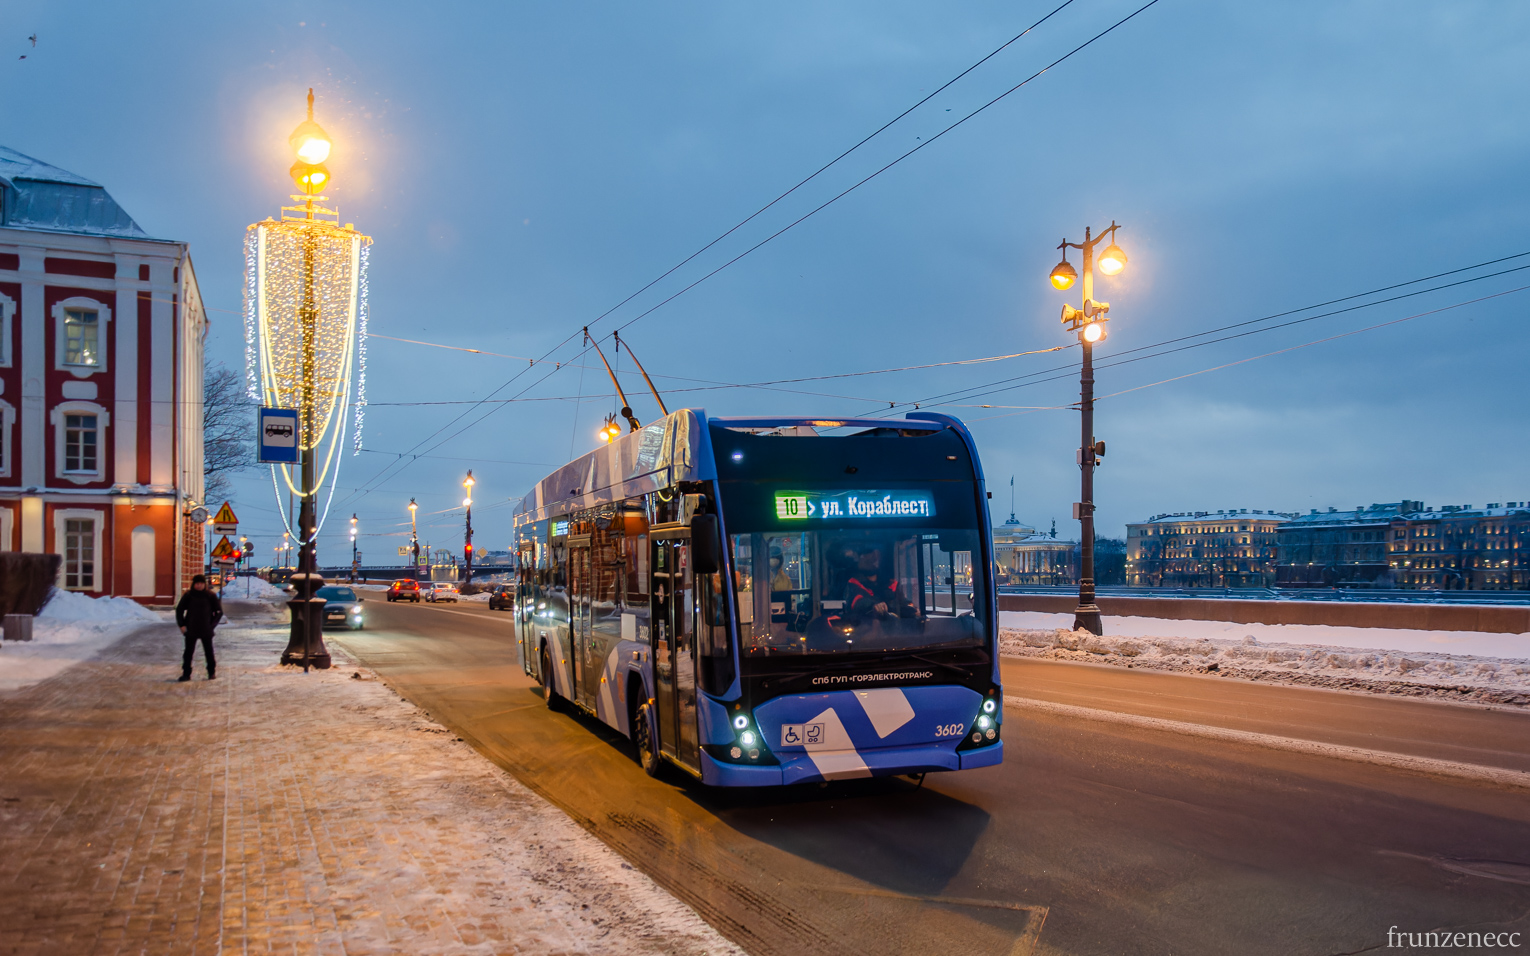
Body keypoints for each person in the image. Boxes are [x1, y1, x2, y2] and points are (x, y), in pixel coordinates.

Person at [844, 544, 918, 624]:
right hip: (864, 628)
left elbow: (902, 603)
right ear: (859, 560)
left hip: (893, 630)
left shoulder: (892, 583)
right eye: (868, 560)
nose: (873, 562)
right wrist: (874, 606)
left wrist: (912, 609)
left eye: (875, 559)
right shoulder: (853, 583)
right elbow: (857, 601)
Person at [175, 574, 223, 681]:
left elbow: (219, 612)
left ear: (204, 584)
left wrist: (212, 626)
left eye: (201, 583)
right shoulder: (189, 595)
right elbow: (179, 610)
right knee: (188, 652)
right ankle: (186, 674)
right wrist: (181, 625)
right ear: (194, 584)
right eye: (197, 584)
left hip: (206, 629)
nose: (199, 586)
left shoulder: (210, 596)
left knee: (209, 652)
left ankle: (211, 672)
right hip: (191, 628)